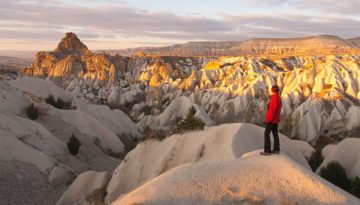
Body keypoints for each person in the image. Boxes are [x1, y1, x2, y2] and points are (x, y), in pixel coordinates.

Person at [261, 85, 282, 156]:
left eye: (271, 89)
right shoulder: (278, 97)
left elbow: (273, 110)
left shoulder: (275, 98)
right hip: (275, 120)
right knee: (275, 134)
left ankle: (267, 151)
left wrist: (269, 120)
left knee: (266, 134)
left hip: (272, 120)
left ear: (273, 90)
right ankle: (276, 149)